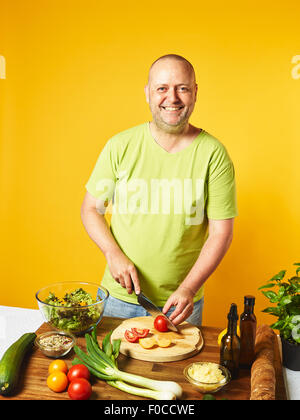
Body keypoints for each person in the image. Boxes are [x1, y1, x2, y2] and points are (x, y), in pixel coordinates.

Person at [81, 54, 238, 326]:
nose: (172, 98)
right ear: (148, 93)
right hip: (119, 298)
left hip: (180, 304)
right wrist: (112, 254)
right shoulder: (120, 146)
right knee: (106, 368)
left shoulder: (214, 154)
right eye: (162, 88)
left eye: (182, 88)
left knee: (176, 369)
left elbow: (221, 233)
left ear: (195, 92)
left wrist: (189, 288)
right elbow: (91, 209)